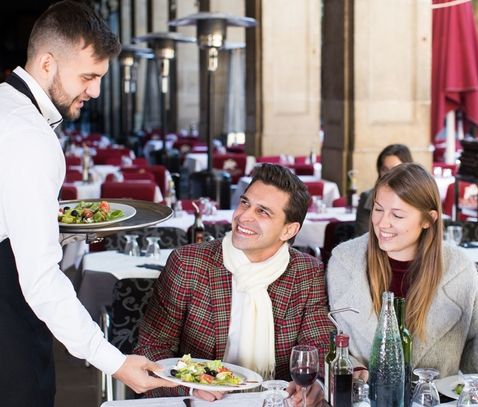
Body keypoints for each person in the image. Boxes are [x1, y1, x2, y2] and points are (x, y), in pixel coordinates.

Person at [0, 2, 176, 405]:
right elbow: (41, 279)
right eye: (88, 76)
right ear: (47, 63)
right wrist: (112, 360)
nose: (95, 91)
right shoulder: (29, 136)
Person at [135, 163, 334, 406]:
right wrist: (189, 389)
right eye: (245, 203)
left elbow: (319, 348)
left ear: (288, 230)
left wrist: (317, 385)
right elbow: (152, 347)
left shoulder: (307, 272)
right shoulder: (188, 263)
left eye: (263, 212)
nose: (244, 216)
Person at [328, 163, 478, 379]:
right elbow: (327, 339)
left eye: (397, 215)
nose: (382, 223)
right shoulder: (344, 262)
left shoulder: (459, 269)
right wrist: (353, 368)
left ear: (428, 220)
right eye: (378, 209)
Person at [355, 144, 413, 237]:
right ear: (379, 171)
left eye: (395, 169)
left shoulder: (417, 198)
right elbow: (363, 238)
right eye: (385, 169)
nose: (389, 175)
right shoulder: (367, 198)